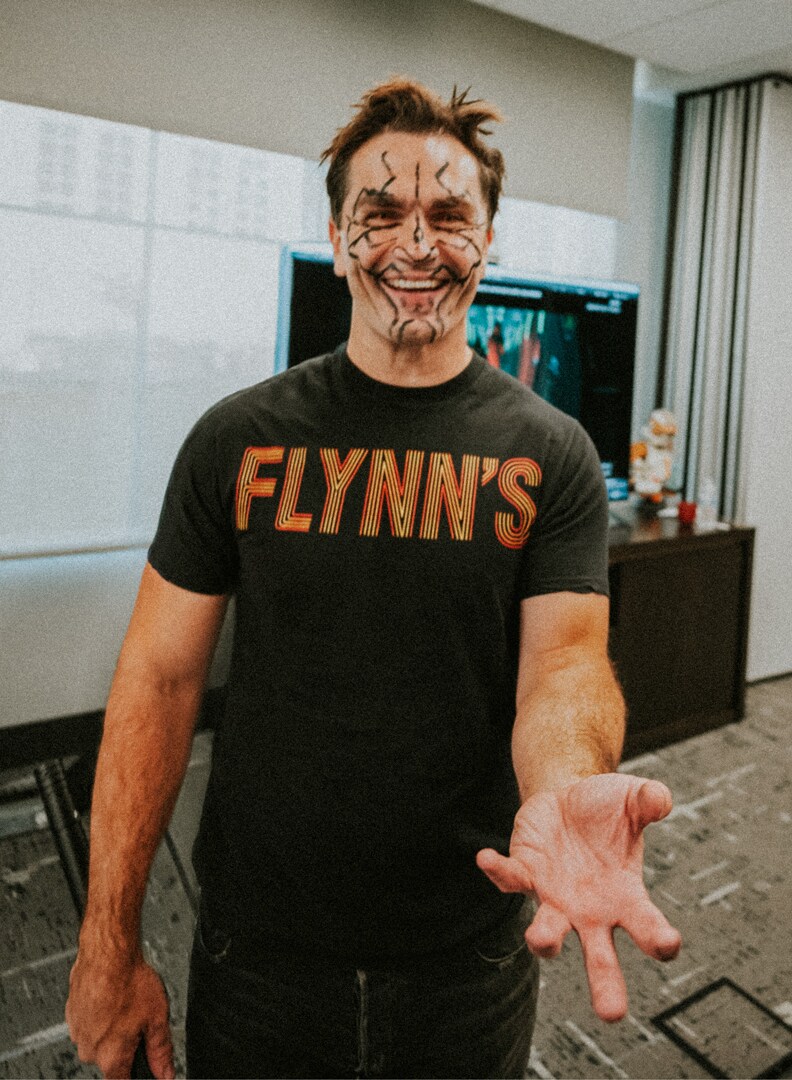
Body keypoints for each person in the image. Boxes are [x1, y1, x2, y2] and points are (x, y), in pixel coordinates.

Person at [66, 79, 681, 1080]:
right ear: (335, 234)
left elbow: (564, 667)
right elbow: (159, 681)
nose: (417, 243)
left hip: (466, 954)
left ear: (490, 237)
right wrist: (106, 940)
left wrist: (568, 784)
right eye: (383, 211)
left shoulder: (552, 452)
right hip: (259, 949)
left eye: (449, 214)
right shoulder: (237, 438)